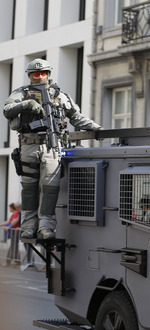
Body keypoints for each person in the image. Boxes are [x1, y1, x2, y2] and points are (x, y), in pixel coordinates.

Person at [3, 58, 101, 240]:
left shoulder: (60, 95)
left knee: (50, 188)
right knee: (29, 189)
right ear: (29, 76)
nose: (39, 76)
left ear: (48, 74)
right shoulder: (21, 93)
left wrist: (97, 128)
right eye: (35, 74)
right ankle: (28, 227)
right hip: (28, 145)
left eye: (42, 73)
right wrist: (26, 104)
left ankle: (46, 227)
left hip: (52, 146)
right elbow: (7, 109)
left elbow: (76, 117)